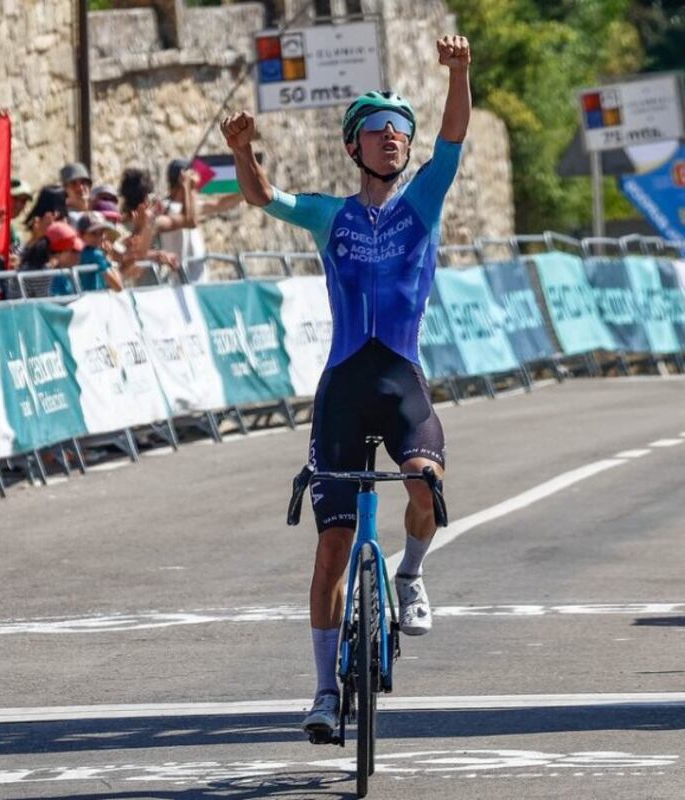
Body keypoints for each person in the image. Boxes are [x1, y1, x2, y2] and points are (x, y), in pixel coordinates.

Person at [221, 34, 471, 739]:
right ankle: (325, 691)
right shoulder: (330, 214)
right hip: (342, 385)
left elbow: (451, 139)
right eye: (377, 133)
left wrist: (459, 72)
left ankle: (412, 573)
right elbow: (265, 196)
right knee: (332, 545)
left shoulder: (422, 200)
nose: (392, 140)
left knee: (425, 486)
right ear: (355, 148)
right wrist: (243, 152)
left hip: (400, 379)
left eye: (400, 132)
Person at [162, 158, 244, 283]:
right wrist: (189, 188)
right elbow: (189, 219)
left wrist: (247, 190)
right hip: (181, 281)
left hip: (198, 280)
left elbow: (219, 204)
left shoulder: (188, 208)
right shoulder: (167, 208)